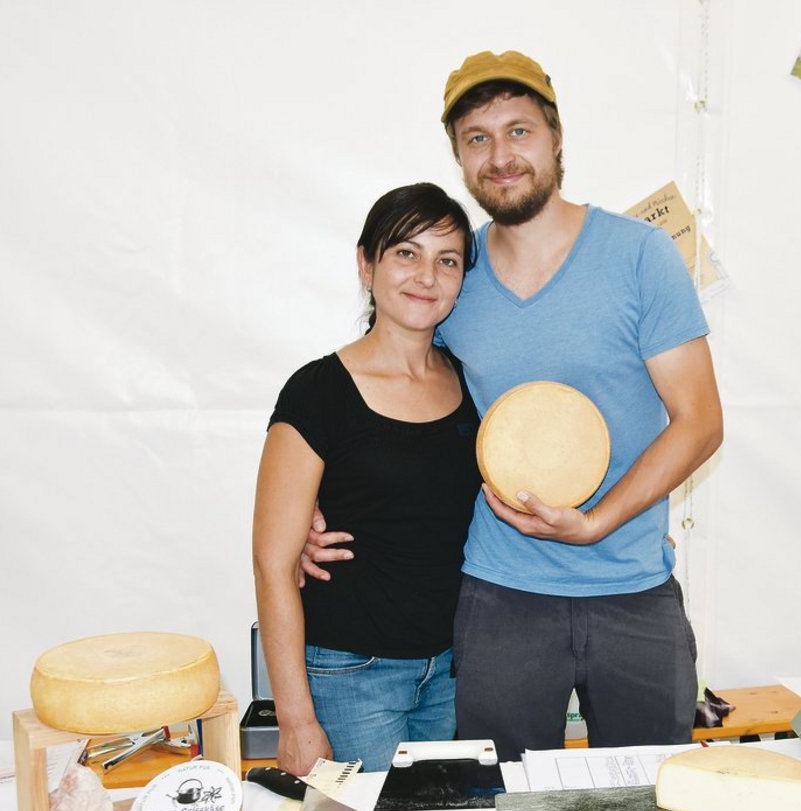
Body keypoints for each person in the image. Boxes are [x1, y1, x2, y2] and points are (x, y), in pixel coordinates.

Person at [305, 51, 724, 762]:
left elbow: (700, 422)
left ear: (556, 138)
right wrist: (319, 504)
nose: (501, 156)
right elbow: (390, 390)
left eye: (519, 131)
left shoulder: (641, 256)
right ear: (460, 158)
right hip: (500, 597)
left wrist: (599, 522)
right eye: (478, 138)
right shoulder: (449, 272)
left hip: (633, 588)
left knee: (651, 804)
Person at [254, 183, 481, 774]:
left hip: (455, 672)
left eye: (447, 260)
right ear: (366, 263)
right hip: (352, 677)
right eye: (406, 252)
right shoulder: (317, 392)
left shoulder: (473, 385)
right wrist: (296, 720)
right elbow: (273, 563)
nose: (426, 275)